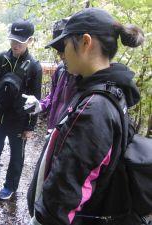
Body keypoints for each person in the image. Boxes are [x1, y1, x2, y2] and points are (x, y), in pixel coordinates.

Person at [27, 7, 144, 225]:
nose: (62, 54)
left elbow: (68, 188)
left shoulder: (95, 108)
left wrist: (44, 220)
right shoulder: (109, 90)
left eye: (65, 45)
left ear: (85, 42)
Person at [0, 19, 42, 200]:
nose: (15, 45)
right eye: (12, 40)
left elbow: (35, 100)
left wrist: (30, 127)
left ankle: (10, 186)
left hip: (19, 119)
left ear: (30, 40)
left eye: (20, 41)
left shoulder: (34, 66)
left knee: (17, 156)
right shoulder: (0, 59)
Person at [23, 18, 77, 131]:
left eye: (63, 48)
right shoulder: (61, 70)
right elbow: (53, 97)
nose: (60, 55)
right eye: (57, 49)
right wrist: (41, 105)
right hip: (53, 132)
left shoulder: (88, 78)